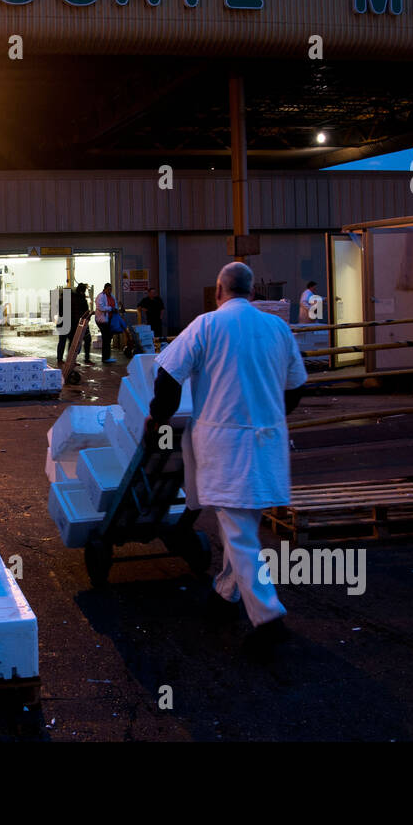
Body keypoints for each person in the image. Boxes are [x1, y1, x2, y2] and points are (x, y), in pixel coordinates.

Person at [146, 261, 307, 654]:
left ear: (219, 291)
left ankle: (268, 619)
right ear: (252, 293)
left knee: (238, 533)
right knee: (245, 524)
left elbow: (168, 376)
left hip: (223, 445)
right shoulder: (277, 328)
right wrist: (267, 415)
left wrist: (158, 416)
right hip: (266, 442)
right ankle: (225, 595)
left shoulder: (206, 326)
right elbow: (297, 387)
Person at [56, 283, 93, 364]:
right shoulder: (72, 300)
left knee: (65, 342)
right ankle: (70, 359)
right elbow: (73, 313)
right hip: (69, 324)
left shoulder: (64, 300)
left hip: (66, 324)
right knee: (70, 342)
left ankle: (63, 359)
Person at [95, 282, 119, 364]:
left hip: (110, 320)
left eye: (111, 289)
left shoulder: (111, 296)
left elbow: (115, 305)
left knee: (108, 339)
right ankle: (105, 358)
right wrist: (111, 309)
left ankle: (107, 357)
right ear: (104, 289)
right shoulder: (100, 296)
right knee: (106, 339)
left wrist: (115, 309)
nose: (110, 291)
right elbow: (100, 307)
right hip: (102, 321)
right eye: (108, 289)